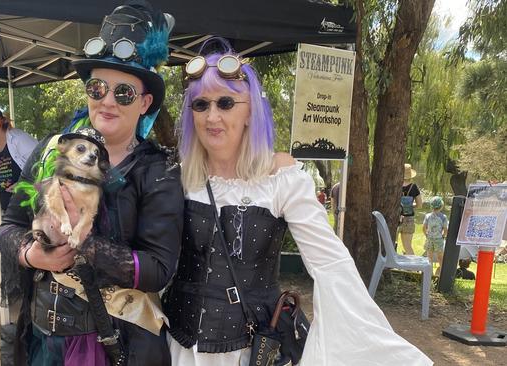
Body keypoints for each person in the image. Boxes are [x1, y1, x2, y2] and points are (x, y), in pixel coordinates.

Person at [162, 39, 433, 365]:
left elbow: (330, 262)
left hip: (247, 351)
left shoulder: (280, 177)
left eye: (225, 103)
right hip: (178, 348)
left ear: (250, 111)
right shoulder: (178, 178)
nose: (212, 116)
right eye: (201, 105)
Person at [0, 2, 183, 365]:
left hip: (116, 344)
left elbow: (159, 269)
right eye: (98, 88)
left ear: (145, 102)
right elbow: (9, 225)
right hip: (42, 340)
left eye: (124, 93)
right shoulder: (51, 150)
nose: (108, 101)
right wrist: (31, 255)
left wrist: (83, 240)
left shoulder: (158, 171)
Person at [398, 163, 422, 255]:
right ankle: (413, 267)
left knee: (391, 245)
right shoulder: (414, 187)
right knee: (407, 247)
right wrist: (410, 206)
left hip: (395, 217)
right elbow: (420, 204)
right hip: (408, 219)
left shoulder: (395, 184)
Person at [423, 196, 448, 277]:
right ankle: (442, 272)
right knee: (440, 257)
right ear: (441, 206)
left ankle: (429, 273)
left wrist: (426, 234)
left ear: (431, 206)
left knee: (429, 257)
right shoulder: (443, 217)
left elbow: (423, 227)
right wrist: (443, 236)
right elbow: (445, 229)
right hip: (438, 239)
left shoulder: (427, 216)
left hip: (429, 238)